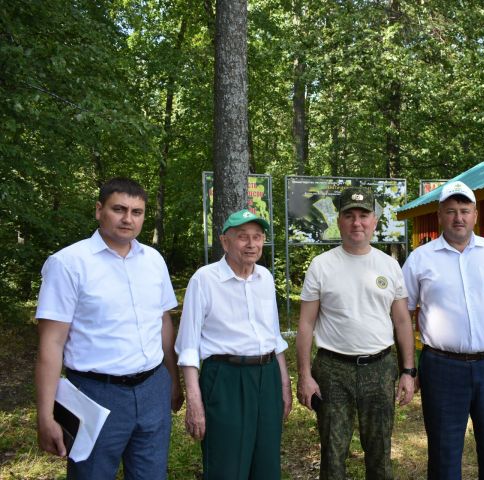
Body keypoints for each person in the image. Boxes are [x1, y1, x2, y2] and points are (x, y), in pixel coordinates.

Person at [34, 177, 183, 479]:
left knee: (152, 475)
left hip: (153, 387)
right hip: (94, 394)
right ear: (99, 210)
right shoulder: (68, 264)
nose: (128, 219)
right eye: (119, 209)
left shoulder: (153, 261)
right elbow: (50, 344)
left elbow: (163, 321)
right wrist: (45, 413)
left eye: (137, 212)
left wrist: (173, 380)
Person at [401, 180, 484, 480]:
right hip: (442, 367)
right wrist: (408, 369)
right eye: (451, 211)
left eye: (465, 210)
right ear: (439, 215)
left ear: (476, 214)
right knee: (444, 452)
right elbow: (403, 315)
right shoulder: (419, 260)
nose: (458, 218)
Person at [296, 186, 417, 480]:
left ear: (374, 221)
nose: (357, 222)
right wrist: (305, 374)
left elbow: (402, 322)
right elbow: (305, 324)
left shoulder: (389, 266)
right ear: (339, 221)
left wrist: (408, 371)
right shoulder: (321, 266)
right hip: (333, 371)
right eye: (349, 215)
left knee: (379, 455)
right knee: (332, 457)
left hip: (380, 369)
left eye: (363, 215)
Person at [175, 209, 292, 479]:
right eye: (242, 237)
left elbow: (274, 337)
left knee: (266, 465)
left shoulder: (265, 278)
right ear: (225, 242)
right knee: (226, 467)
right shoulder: (204, 279)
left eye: (257, 237)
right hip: (225, 379)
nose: (251, 244)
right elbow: (188, 346)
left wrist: (284, 386)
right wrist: (194, 401)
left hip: (267, 376)